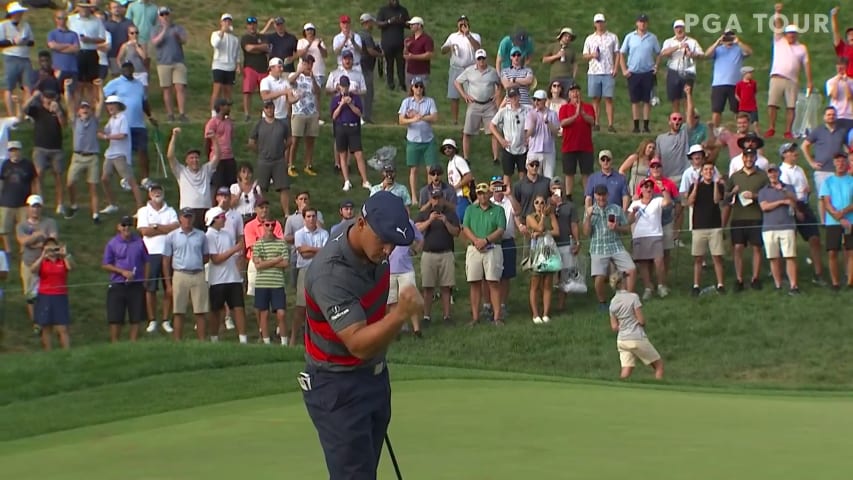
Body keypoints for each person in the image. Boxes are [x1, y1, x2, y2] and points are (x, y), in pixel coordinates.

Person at [301, 190, 421, 480]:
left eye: (394, 243)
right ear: (362, 223)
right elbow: (358, 344)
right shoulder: (330, 273)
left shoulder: (373, 250)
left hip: (373, 378)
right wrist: (400, 315)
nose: (388, 251)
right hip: (337, 386)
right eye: (384, 240)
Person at [583, 184, 636, 311]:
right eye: (598, 195)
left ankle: (628, 299)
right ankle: (602, 302)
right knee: (599, 276)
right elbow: (585, 233)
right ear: (595, 195)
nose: (601, 198)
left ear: (607, 195)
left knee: (631, 269)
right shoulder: (590, 211)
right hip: (598, 247)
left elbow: (627, 229)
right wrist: (588, 217)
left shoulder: (616, 209)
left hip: (615, 245)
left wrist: (617, 227)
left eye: (603, 195)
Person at [136, 183, 179, 334]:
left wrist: (155, 227)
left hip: (168, 253)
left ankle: (166, 320)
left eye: (159, 191)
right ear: (149, 194)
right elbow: (144, 231)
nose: (157, 193)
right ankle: (152, 320)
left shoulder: (170, 210)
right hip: (150, 253)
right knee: (151, 289)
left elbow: (175, 228)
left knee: (169, 288)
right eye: (154, 191)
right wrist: (163, 229)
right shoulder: (143, 211)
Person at [765, 5, 813, 139]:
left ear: (796, 35)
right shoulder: (779, 41)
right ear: (786, 34)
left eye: (793, 33)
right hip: (777, 77)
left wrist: (809, 81)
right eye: (789, 33)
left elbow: (806, 64)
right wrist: (777, 12)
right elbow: (777, 24)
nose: (791, 35)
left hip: (792, 80)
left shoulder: (802, 48)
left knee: (791, 106)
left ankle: (788, 130)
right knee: (772, 104)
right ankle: (771, 127)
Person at [162, 207, 210, 340]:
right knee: (178, 311)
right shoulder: (171, 236)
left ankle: (202, 341)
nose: (187, 220)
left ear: (193, 219)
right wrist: (168, 283)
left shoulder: (201, 235)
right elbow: (166, 260)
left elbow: (206, 256)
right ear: (180, 219)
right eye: (185, 217)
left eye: (189, 217)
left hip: (198, 274)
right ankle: (178, 341)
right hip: (180, 274)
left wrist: (196, 262)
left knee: (200, 311)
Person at [461, 182, 506, 325]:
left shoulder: (498, 210)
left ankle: (497, 317)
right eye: (479, 193)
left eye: (484, 193)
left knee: (493, 282)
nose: (482, 196)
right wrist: (476, 241)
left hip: (492, 247)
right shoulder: (470, 209)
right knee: (474, 282)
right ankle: (475, 317)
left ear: (489, 194)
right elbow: (465, 227)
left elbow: (501, 229)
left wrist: (486, 240)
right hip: (474, 249)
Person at [725, 147, 769, 290]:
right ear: (743, 158)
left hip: (756, 216)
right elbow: (725, 197)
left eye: (752, 157)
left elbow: (769, 194)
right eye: (746, 157)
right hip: (738, 216)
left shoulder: (763, 176)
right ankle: (739, 279)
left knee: (756, 247)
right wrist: (733, 192)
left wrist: (755, 196)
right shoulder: (735, 176)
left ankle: (755, 278)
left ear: (755, 158)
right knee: (738, 247)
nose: (749, 159)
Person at [415, 187, 459, 325]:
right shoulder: (424, 213)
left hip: (446, 253)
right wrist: (429, 220)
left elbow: (456, 232)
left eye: (439, 197)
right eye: (434, 198)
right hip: (428, 254)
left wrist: (445, 221)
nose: (437, 201)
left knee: (446, 287)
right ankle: (426, 317)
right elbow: (416, 229)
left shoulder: (450, 214)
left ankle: (447, 316)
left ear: (443, 198)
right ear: (430, 199)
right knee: (428, 288)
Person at [608, 270, 664, 380]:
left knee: (626, 370)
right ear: (622, 282)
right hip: (636, 337)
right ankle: (658, 389)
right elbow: (641, 320)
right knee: (659, 366)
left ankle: (618, 390)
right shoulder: (633, 297)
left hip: (622, 340)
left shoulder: (613, 302)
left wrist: (624, 326)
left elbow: (614, 326)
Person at [102, 215, 148, 342]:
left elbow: (146, 261)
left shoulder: (139, 242)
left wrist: (145, 279)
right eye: (124, 225)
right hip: (118, 283)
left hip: (136, 283)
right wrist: (122, 272)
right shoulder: (112, 243)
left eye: (129, 225)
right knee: (116, 316)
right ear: (118, 227)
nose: (126, 228)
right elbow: (106, 264)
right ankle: (115, 343)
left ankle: (133, 343)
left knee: (136, 316)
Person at [63, 78, 102, 223]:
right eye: (82, 108)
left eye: (87, 108)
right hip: (77, 156)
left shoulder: (94, 121)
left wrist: (99, 87)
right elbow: (68, 103)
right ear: (78, 111)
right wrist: (66, 89)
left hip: (92, 157)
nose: (85, 110)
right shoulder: (75, 121)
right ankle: (74, 205)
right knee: (70, 182)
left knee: (93, 187)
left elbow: (100, 104)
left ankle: (95, 214)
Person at [204, 206, 246, 343]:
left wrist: (237, 255)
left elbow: (235, 254)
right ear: (213, 220)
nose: (224, 219)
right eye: (221, 217)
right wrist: (234, 249)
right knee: (216, 310)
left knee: (239, 307)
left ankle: (243, 339)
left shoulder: (226, 234)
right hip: (217, 280)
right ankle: (214, 338)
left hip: (233, 277)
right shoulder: (209, 236)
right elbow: (215, 259)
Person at [16, 194, 59, 326]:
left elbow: (53, 242)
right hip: (28, 263)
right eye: (33, 207)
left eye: (38, 206)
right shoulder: (21, 226)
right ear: (28, 208)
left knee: (47, 293)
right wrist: (39, 235)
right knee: (30, 295)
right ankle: (36, 322)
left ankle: (47, 318)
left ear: (41, 208)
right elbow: (22, 241)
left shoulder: (50, 222)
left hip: (46, 263)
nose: (35, 209)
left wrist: (33, 243)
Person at [758, 164, 800, 294]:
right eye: (770, 172)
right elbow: (764, 207)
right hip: (769, 228)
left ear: (779, 173)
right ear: (767, 174)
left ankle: (793, 285)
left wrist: (783, 191)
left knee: (790, 256)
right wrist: (781, 202)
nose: (773, 175)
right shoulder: (763, 191)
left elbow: (794, 201)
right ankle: (778, 285)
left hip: (787, 226)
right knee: (773, 257)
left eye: (775, 172)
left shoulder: (788, 188)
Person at [99, 94, 145, 213]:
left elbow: (122, 135)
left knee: (131, 181)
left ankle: (140, 209)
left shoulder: (122, 118)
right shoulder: (112, 119)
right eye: (108, 105)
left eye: (112, 104)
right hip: (110, 153)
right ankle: (112, 204)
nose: (109, 107)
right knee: (104, 179)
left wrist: (106, 137)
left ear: (118, 106)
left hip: (120, 154)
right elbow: (105, 130)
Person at [687, 161, 727, 295]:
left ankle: (720, 284)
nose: (709, 172)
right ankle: (696, 285)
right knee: (698, 258)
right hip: (699, 226)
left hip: (714, 226)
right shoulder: (694, 186)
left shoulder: (719, 186)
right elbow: (690, 202)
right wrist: (696, 186)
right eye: (706, 170)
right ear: (702, 172)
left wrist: (716, 183)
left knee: (717, 257)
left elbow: (716, 200)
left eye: (711, 169)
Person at [167, 127, 219, 230]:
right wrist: (174, 136)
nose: (194, 160)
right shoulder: (181, 171)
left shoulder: (206, 170)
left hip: (205, 211)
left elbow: (217, 156)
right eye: (191, 158)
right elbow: (170, 156)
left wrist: (214, 139)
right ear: (186, 160)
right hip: (188, 211)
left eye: (196, 157)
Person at [628, 178, 672, 300]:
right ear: (641, 189)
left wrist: (663, 189)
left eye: (650, 186)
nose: (648, 189)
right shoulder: (635, 204)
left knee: (659, 261)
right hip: (639, 236)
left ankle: (661, 285)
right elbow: (629, 221)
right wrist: (633, 213)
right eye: (645, 186)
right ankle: (648, 287)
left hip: (655, 234)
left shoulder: (657, 200)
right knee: (643, 263)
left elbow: (667, 202)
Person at [398, 76, 438, 204]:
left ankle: (428, 196)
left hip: (428, 140)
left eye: (421, 86)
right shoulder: (407, 102)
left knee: (430, 170)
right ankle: (414, 197)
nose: (419, 88)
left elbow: (435, 117)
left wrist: (421, 117)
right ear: (412, 87)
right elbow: (401, 120)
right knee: (413, 169)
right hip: (413, 140)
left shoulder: (429, 101)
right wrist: (413, 120)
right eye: (416, 86)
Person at [293, 207, 329, 345]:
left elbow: (325, 253)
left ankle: (318, 340)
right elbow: (302, 252)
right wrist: (318, 251)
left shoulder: (324, 233)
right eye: (308, 216)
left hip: (320, 270)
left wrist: (310, 249)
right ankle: (293, 339)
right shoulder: (299, 234)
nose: (311, 219)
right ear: (304, 218)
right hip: (304, 270)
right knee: (301, 306)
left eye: (313, 216)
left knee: (318, 305)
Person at [249, 101, 292, 214]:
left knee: (284, 187)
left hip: (279, 160)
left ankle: (286, 213)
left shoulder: (282, 124)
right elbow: (251, 141)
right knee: (262, 188)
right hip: (264, 160)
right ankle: (264, 212)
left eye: (271, 108)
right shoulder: (259, 124)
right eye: (267, 108)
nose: (269, 110)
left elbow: (289, 139)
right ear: (264, 110)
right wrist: (259, 151)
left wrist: (282, 148)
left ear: (274, 109)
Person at [620, 13, 660, 134]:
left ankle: (646, 125)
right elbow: (621, 53)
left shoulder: (652, 38)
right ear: (637, 23)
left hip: (647, 72)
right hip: (633, 72)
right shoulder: (630, 37)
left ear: (647, 24)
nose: (642, 24)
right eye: (640, 22)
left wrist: (656, 66)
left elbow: (659, 53)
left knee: (647, 100)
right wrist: (624, 69)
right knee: (635, 100)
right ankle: (636, 125)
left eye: (644, 22)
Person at [31, 237, 73, 350]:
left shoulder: (62, 260)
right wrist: (43, 255)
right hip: (45, 295)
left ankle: (66, 351)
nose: (52, 251)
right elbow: (33, 270)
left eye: (54, 248)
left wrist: (64, 255)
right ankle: (48, 353)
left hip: (60, 295)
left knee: (62, 328)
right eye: (49, 248)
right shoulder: (43, 261)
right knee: (46, 327)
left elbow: (71, 267)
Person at [819, 153, 853, 290]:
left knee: (851, 251)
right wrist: (838, 217)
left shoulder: (851, 180)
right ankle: (835, 282)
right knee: (832, 251)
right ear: (834, 163)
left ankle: (850, 281)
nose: (840, 164)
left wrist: (844, 214)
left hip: (850, 221)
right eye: (838, 161)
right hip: (833, 222)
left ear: (847, 164)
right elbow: (826, 202)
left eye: (843, 161)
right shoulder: (828, 181)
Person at [253, 216, 289, 344]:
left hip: (277, 283)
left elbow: (285, 263)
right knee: (264, 314)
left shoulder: (281, 243)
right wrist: (275, 260)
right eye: (267, 225)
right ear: (263, 226)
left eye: (272, 225)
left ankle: (285, 343)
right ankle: (267, 342)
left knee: (281, 313)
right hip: (262, 284)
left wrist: (266, 262)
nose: (270, 228)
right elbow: (257, 265)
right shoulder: (258, 244)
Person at [582, 13, 621, 132]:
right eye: (597, 22)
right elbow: (584, 55)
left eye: (601, 22)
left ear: (604, 23)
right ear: (594, 24)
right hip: (594, 71)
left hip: (608, 71)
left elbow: (617, 53)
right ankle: (596, 122)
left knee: (608, 98)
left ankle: (610, 124)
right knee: (595, 99)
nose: (599, 24)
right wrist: (592, 55)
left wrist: (615, 68)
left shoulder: (612, 37)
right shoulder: (590, 38)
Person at [330, 75, 370, 191]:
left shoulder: (356, 98)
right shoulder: (336, 99)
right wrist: (342, 104)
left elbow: (359, 113)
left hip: (353, 128)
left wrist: (351, 104)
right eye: (342, 86)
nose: (344, 89)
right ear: (339, 87)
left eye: (346, 86)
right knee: (342, 155)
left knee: (359, 154)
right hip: (341, 128)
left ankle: (365, 180)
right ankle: (347, 181)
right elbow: (333, 116)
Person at [441, 15, 481, 125]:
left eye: (465, 22)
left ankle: (471, 121)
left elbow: (478, 48)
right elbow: (442, 50)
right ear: (457, 24)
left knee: (472, 96)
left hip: (470, 69)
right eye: (460, 22)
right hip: (456, 69)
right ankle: (455, 120)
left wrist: (467, 34)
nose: (462, 24)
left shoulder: (475, 36)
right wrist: (450, 47)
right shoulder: (453, 36)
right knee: (454, 96)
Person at [151, 6, 189, 121]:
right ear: (159, 17)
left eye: (166, 14)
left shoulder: (178, 28)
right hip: (163, 62)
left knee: (180, 87)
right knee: (167, 89)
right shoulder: (155, 29)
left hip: (178, 61)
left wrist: (178, 37)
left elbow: (184, 40)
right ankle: (170, 114)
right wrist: (164, 30)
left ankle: (182, 113)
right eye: (162, 15)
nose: (165, 17)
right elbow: (155, 42)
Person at [526, 194, 559, 324]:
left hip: (548, 252)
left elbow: (557, 231)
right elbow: (538, 227)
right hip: (536, 253)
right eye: (537, 202)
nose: (540, 205)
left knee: (547, 284)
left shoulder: (551, 216)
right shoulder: (530, 217)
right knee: (535, 283)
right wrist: (543, 218)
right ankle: (535, 314)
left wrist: (543, 233)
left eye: (542, 202)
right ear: (533, 204)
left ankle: (545, 313)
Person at [387, 219, 423, 336]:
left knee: (410, 299)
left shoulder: (409, 222)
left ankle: (416, 329)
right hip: (389, 269)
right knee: (392, 301)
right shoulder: (385, 221)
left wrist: (415, 251)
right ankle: (398, 328)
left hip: (406, 269)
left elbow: (420, 239)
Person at [559, 83, 596, 197]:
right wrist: (575, 116)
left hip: (585, 146)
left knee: (586, 173)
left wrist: (582, 113)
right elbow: (563, 122)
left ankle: (587, 195)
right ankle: (569, 195)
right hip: (569, 145)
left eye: (577, 91)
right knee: (569, 173)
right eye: (573, 92)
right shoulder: (564, 108)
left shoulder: (588, 107)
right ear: (569, 94)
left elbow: (592, 121)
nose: (575, 93)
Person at [0, 141, 37, 253]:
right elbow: (1, 181)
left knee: (25, 228)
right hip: (6, 202)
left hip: (24, 203)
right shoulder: (5, 164)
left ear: (20, 151)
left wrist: (35, 197)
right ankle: (8, 249)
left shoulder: (28, 164)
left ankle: (23, 248)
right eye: (12, 151)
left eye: (16, 150)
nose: (14, 153)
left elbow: (34, 181)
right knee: (4, 229)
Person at [209, 13, 239, 115]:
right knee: (217, 90)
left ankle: (226, 113)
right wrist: (222, 31)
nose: (227, 23)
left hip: (230, 67)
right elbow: (215, 44)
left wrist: (238, 64)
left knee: (228, 92)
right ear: (221, 22)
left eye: (229, 21)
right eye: (225, 21)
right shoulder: (215, 34)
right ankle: (214, 113)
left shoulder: (234, 39)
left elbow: (236, 53)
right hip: (218, 65)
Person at [376, 0, 410, 91]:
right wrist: (389, 21)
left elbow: (409, 25)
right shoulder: (383, 10)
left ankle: (402, 84)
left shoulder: (403, 10)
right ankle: (390, 83)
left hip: (400, 42)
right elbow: (378, 24)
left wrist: (401, 22)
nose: (395, 2)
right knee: (389, 64)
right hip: (387, 42)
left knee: (401, 64)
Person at [543, 27, 577, 94]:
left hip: (568, 78)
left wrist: (573, 77)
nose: (567, 38)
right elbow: (544, 60)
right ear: (561, 36)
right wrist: (556, 56)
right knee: (555, 96)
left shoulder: (571, 50)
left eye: (569, 37)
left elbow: (574, 64)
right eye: (566, 36)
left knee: (567, 97)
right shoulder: (553, 46)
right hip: (555, 76)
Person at [735, 66, 759, 132]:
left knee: (755, 123)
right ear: (744, 74)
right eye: (750, 73)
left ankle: (757, 136)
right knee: (742, 122)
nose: (751, 75)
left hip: (752, 107)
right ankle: (740, 134)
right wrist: (741, 101)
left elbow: (754, 92)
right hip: (743, 107)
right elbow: (737, 94)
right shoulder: (739, 84)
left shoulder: (753, 83)